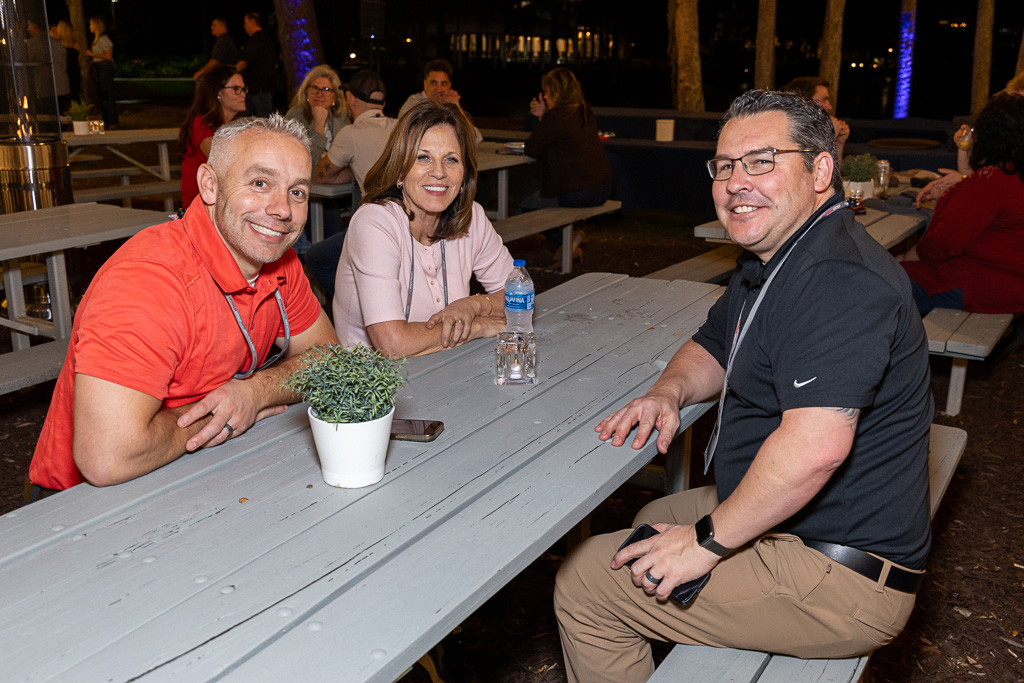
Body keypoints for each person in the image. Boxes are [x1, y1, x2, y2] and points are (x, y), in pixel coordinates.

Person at [555, 89, 933, 683]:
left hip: (843, 576)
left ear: (821, 172)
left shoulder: (838, 281)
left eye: (761, 161)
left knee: (586, 582)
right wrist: (668, 393)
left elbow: (816, 449)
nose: (736, 182)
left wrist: (704, 543)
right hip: (808, 525)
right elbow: (713, 345)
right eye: (725, 165)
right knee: (654, 515)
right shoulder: (778, 257)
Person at [26, 114, 338, 499]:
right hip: (81, 502)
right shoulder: (149, 281)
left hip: (201, 468)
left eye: (297, 192)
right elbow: (107, 458)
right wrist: (222, 412)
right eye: (260, 183)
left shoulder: (276, 259)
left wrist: (257, 391)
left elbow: (328, 356)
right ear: (209, 184)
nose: (282, 209)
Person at [332, 100, 514, 357]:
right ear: (399, 170)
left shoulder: (471, 215)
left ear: (464, 175)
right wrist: (477, 326)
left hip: (447, 363)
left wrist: (474, 305)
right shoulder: (374, 222)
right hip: (373, 376)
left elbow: (520, 295)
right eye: (423, 157)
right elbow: (392, 344)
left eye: (451, 159)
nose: (439, 172)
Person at [900, 92, 1024, 316]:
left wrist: (906, 256)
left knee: (874, 281)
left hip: (979, 287)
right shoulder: (1012, 174)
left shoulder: (993, 180)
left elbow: (945, 242)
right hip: (1008, 286)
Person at [308, 70, 397, 301]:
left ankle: (357, 304)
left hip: (378, 226)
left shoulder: (351, 133)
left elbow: (322, 176)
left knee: (316, 258)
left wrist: (351, 165)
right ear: (382, 103)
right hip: (409, 223)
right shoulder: (401, 126)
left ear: (351, 100)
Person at [522, 67, 614, 263]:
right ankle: (568, 245)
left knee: (525, 208)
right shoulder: (583, 110)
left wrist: (543, 117)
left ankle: (564, 244)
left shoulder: (557, 116)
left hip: (579, 192)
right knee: (536, 203)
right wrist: (544, 116)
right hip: (603, 187)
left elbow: (532, 148)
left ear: (556, 92)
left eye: (548, 91)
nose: (545, 96)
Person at [284, 64, 351, 255]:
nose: (320, 94)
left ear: (334, 97)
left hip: (335, 190)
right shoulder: (295, 116)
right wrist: (319, 124)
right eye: (315, 88)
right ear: (306, 92)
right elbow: (310, 166)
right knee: (331, 226)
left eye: (326, 89)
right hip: (302, 188)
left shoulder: (342, 119)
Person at [177, 65, 247, 208]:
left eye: (243, 89)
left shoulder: (237, 126)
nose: (243, 94)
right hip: (201, 204)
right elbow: (220, 160)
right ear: (218, 93)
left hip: (226, 199)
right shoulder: (202, 124)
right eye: (236, 89)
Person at [398, 58, 482, 144]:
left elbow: (475, 138)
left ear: (450, 85)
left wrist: (456, 106)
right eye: (434, 83)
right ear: (425, 84)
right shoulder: (413, 102)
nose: (439, 89)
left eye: (443, 84)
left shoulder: (450, 103)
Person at [783, 76, 849, 160]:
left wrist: (839, 143)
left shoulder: (812, 132)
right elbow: (809, 166)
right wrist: (829, 136)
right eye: (824, 100)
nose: (829, 106)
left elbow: (831, 168)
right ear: (806, 103)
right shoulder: (788, 133)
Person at [25, 18, 70, 115]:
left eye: (30, 25)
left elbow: (27, 61)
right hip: (62, 85)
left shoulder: (34, 42)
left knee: (48, 116)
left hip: (46, 87)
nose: (28, 29)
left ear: (35, 25)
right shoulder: (54, 41)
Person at [236, 12, 277, 116]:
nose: (244, 26)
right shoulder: (268, 40)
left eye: (245, 23)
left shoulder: (255, 40)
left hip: (258, 90)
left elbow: (244, 62)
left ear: (252, 23)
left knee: (263, 118)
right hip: (264, 88)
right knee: (249, 117)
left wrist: (230, 73)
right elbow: (275, 64)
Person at [84, 16, 117, 129]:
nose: (90, 27)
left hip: (105, 69)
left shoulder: (103, 39)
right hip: (99, 68)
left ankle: (112, 121)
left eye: (92, 25)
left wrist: (92, 54)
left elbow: (108, 56)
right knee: (103, 96)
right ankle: (107, 120)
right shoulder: (97, 39)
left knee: (107, 95)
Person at [53, 20, 81, 103]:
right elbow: (79, 60)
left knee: (65, 99)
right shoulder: (76, 44)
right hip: (75, 73)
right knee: (75, 97)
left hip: (64, 73)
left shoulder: (58, 45)